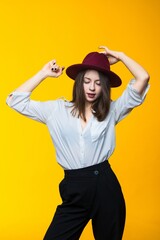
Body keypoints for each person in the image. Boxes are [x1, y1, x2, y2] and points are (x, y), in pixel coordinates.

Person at [6, 46, 150, 240]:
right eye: (87, 81)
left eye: (98, 83)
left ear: (105, 87)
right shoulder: (56, 110)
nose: (92, 88)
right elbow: (15, 100)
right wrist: (43, 74)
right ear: (79, 82)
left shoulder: (112, 111)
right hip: (74, 187)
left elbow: (143, 78)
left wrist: (121, 56)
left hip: (105, 186)